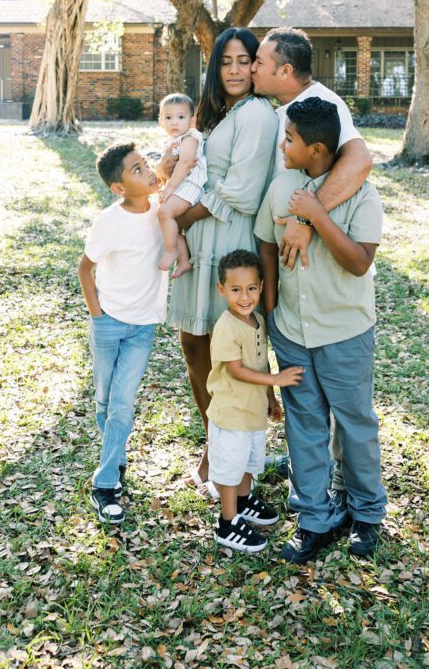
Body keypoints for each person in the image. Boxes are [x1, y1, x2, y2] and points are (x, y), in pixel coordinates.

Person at [255, 96, 387, 564]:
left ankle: (367, 512)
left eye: (288, 137)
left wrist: (315, 215)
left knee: (354, 425)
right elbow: (267, 249)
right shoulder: (280, 188)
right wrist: (271, 315)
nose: (282, 143)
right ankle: (315, 516)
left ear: (315, 149)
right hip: (292, 330)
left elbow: (358, 262)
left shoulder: (364, 194)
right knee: (304, 426)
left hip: (345, 332)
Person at [166, 27, 279, 492]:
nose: (234, 69)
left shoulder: (257, 114)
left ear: (256, 66)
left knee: (224, 348)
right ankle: (215, 442)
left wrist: (184, 219)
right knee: (193, 344)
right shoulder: (217, 116)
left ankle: (230, 458)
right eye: (225, 61)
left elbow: (242, 191)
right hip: (201, 235)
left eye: (243, 60)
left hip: (227, 237)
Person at [77, 142, 168, 526]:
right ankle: (116, 457)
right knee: (104, 401)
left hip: (142, 327)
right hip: (109, 322)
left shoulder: (163, 210)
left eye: (145, 164)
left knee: (121, 403)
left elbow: (175, 168)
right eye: (135, 170)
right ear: (118, 187)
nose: (146, 171)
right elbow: (85, 268)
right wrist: (97, 315)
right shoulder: (108, 222)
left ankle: (105, 484)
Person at [251, 27, 372, 270]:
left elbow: (360, 161)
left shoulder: (321, 103)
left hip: (316, 259)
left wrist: (305, 218)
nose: (252, 68)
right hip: (282, 251)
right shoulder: (284, 108)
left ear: (285, 71)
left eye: (259, 62)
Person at [207, 250, 304, 552]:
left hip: (252, 413)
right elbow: (236, 370)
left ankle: (244, 500)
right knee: (230, 469)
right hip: (231, 413)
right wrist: (277, 380)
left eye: (251, 288)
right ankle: (227, 522)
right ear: (221, 290)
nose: (245, 296)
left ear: (261, 287)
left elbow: (260, 363)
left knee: (248, 462)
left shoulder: (257, 320)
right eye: (235, 290)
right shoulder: (226, 326)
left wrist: (270, 397)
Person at [156, 92, 207, 277]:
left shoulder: (190, 137)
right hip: (181, 184)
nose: (174, 122)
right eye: (168, 117)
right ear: (161, 121)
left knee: (164, 213)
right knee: (170, 222)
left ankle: (171, 251)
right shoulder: (173, 141)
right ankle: (184, 260)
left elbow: (185, 162)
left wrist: (170, 188)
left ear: (192, 120)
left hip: (191, 185)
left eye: (181, 117)